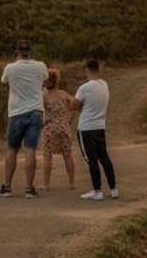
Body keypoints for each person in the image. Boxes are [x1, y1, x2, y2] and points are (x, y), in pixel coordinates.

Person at [0, 40, 48, 199]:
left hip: (16, 112)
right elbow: (45, 79)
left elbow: (4, 81)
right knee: (30, 149)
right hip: (35, 111)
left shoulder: (10, 68)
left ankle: (7, 187)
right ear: (30, 52)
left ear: (17, 52)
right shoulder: (40, 66)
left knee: (12, 149)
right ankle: (29, 188)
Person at [73, 58, 117, 201]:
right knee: (104, 157)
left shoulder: (84, 88)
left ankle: (97, 190)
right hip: (100, 126)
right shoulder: (104, 84)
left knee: (91, 159)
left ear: (87, 69)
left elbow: (74, 105)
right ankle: (113, 188)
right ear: (98, 69)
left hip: (86, 128)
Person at [40, 69, 77, 192]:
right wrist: (69, 119)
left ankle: (46, 184)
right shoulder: (63, 94)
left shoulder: (43, 96)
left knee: (47, 156)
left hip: (49, 128)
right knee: (67, 155)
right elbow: (76, 104)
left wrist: (42, 123)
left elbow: (39, 112)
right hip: (64, 127)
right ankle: (71, 182)